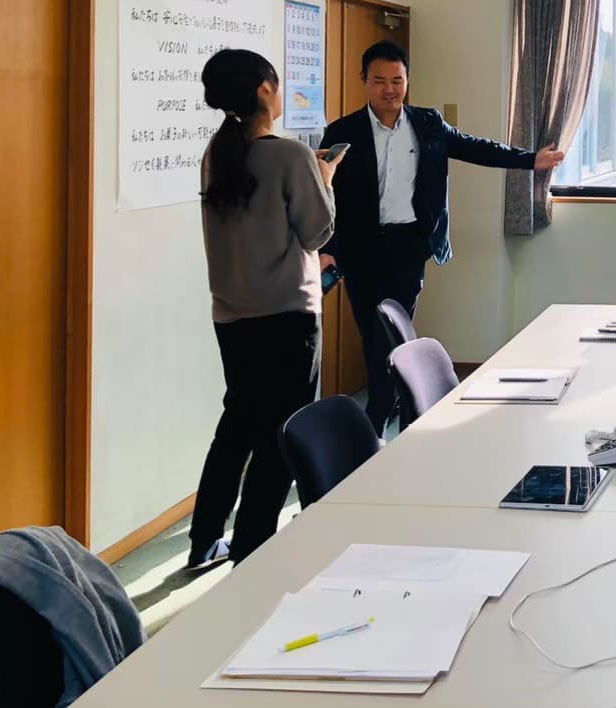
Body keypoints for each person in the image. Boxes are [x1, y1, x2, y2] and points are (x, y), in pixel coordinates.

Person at [320, 41, 564, 434]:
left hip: (408, 245)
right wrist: (328, 249)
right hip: (359, 248)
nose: (389, 89)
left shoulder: (428, 123)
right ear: (363, 80)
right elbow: (328, 195)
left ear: (407, 80)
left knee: (395, 333)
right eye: (379, 80)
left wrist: (529, 160)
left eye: (397, 80)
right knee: (372, 336)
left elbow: (475, 148)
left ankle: (382, 416)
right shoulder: (342, 132)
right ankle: (392, 411)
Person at [190, 48, 340, 569]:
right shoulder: (291, 156)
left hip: (232, 316)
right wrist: (325, 180)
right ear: (263, 90)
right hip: (288, 317)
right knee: (281, 438)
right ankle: (252, 552)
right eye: (276, 84)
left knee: (236, 427)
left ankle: (205, 538)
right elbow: (318, 233)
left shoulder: (217, 152)